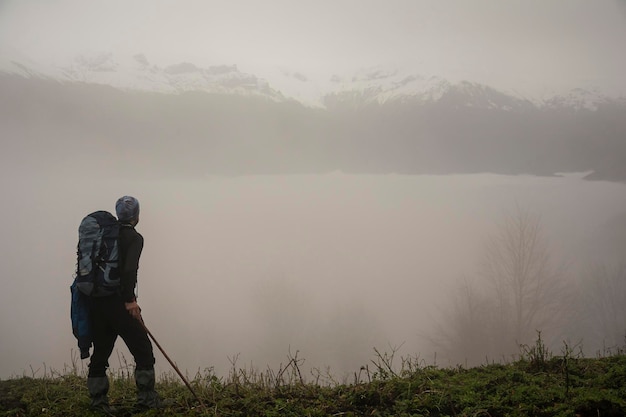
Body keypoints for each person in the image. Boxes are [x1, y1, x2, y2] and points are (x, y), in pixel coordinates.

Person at [86, 195, 164, 413]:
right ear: (136, 216)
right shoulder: (134, 238)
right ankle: (147, 401)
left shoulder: (103, 234)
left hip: (98, 302)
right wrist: (130, 301)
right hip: (120, 304)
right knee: (143, 350)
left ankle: (98, 403)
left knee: (101, 351)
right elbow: (130, 270)